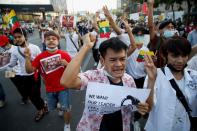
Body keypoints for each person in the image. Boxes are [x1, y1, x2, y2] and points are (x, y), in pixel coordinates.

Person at [60, 34, 150, 131]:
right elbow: (66, 82)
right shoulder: (93, 77)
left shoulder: (129, 80)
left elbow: (132, 106)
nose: (119, 64)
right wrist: (85, 47)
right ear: (102, 61)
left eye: (122, 59)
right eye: (112, 60)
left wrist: (140, 107)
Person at [144, 36, 197, 131]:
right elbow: (148, 107)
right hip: (159, 127)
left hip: (185, 126)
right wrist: (151, 80)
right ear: (165, 56)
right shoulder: (155, 75)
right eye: (175, 56)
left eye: (184, 55)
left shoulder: (194, 77)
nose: (180, 60)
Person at [24, 30, 72, 131]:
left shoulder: (65, 55)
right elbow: (29, 71)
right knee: (56, 106)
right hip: (50, 89)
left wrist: (67, 65)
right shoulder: (40, 57)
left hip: (63, 88)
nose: (51, 40)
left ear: (58, 41)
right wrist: (27, 58)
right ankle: (59, 107)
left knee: (66, 108)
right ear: (44, 41)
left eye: (53, 39)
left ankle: (67, 124)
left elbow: (76, 71)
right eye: (48, 39)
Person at [8, 28, 47, 121]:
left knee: (35, 94)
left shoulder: (34, 47)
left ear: (24, 36)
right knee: (31, 95)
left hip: (35, 74)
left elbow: (41, 61)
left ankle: (41, 109)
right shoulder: (14, 50)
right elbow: (12, 64)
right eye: (15, 37)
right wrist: (5, 60)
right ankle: (42, 107)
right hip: (23, 76)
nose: (17, 39)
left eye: (19, 36)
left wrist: (29, 57)